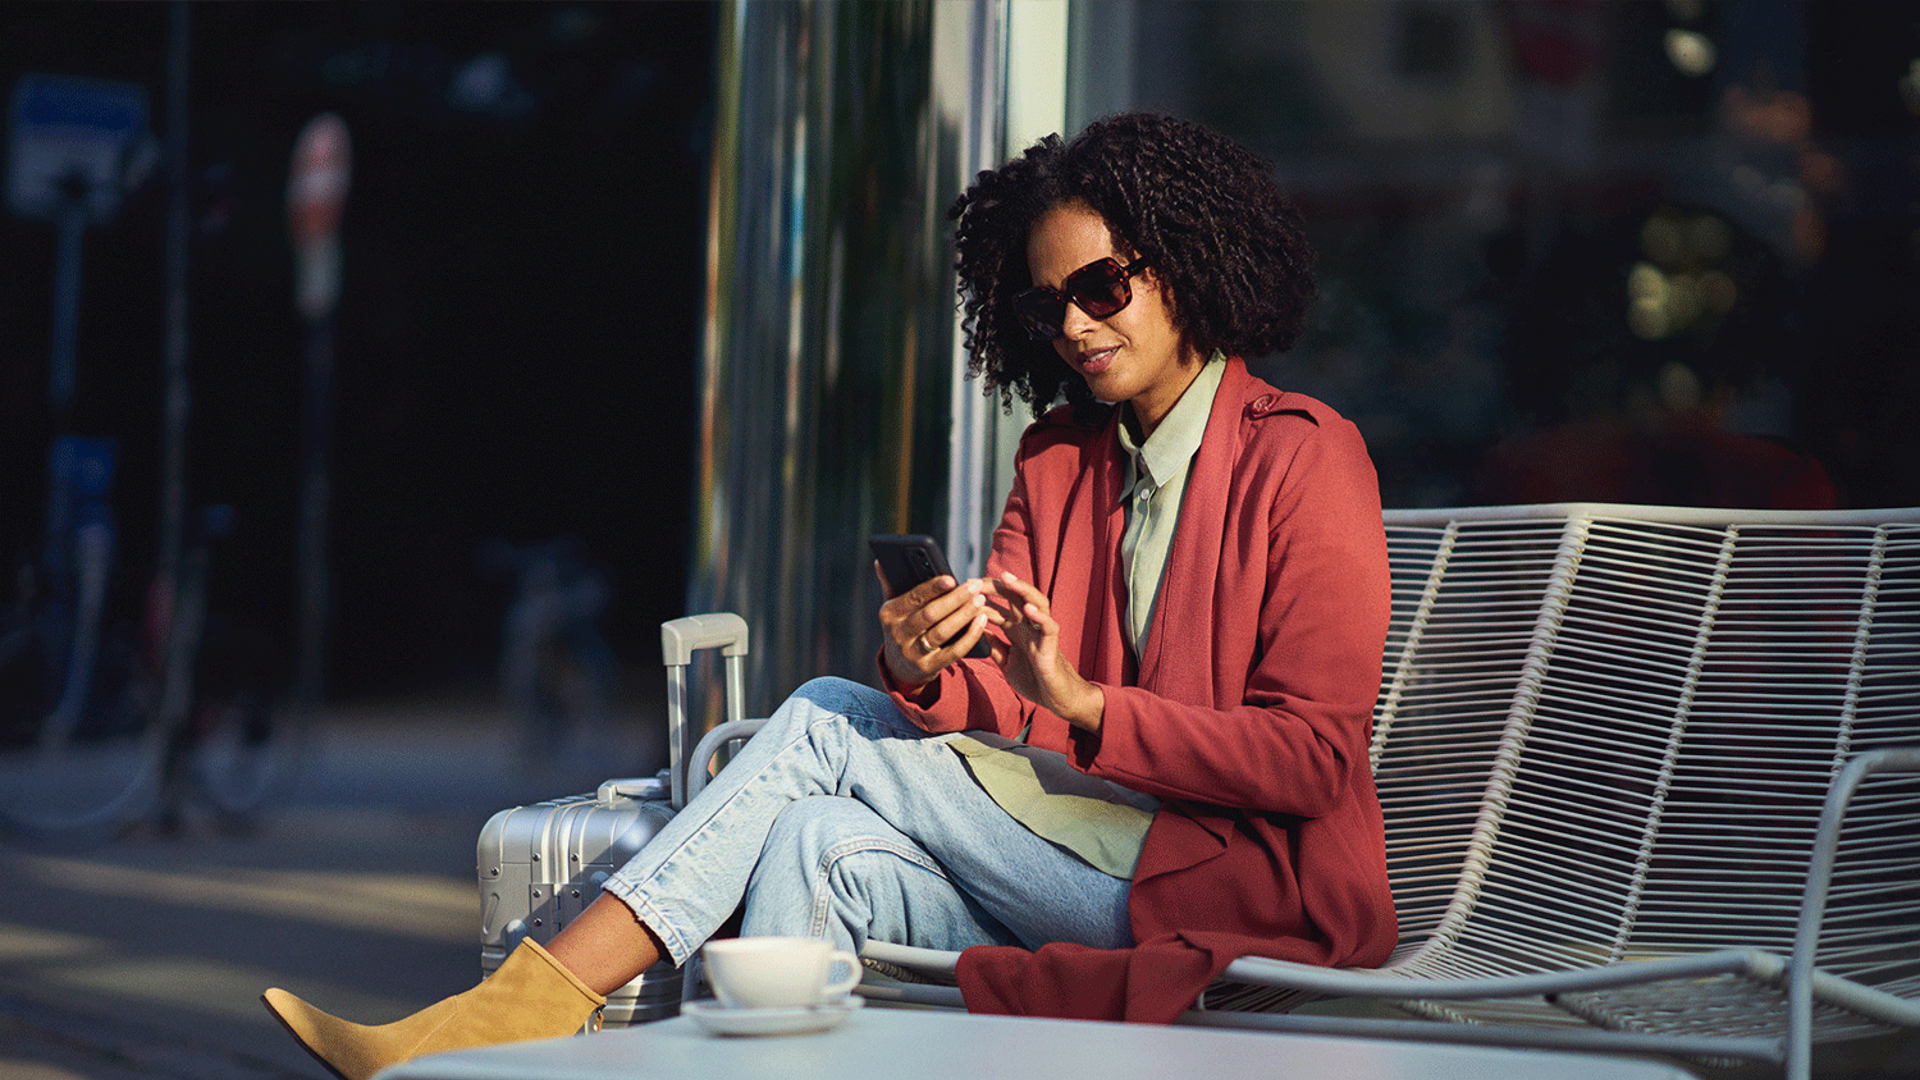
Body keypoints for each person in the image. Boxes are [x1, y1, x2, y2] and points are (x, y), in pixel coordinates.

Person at [262, 112, 1396, 1080]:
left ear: (1187, 262)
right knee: (809, 838)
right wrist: (923, 671)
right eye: (1051, 308)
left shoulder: (1304, 459)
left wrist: (1088, 705)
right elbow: (1013, 726)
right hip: (1070, 854)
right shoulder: (1058, 461)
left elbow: (1314, 761)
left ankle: (505, 1022)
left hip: (1226, 890)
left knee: (814, 719)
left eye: (1104, 286)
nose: (1078, 327)